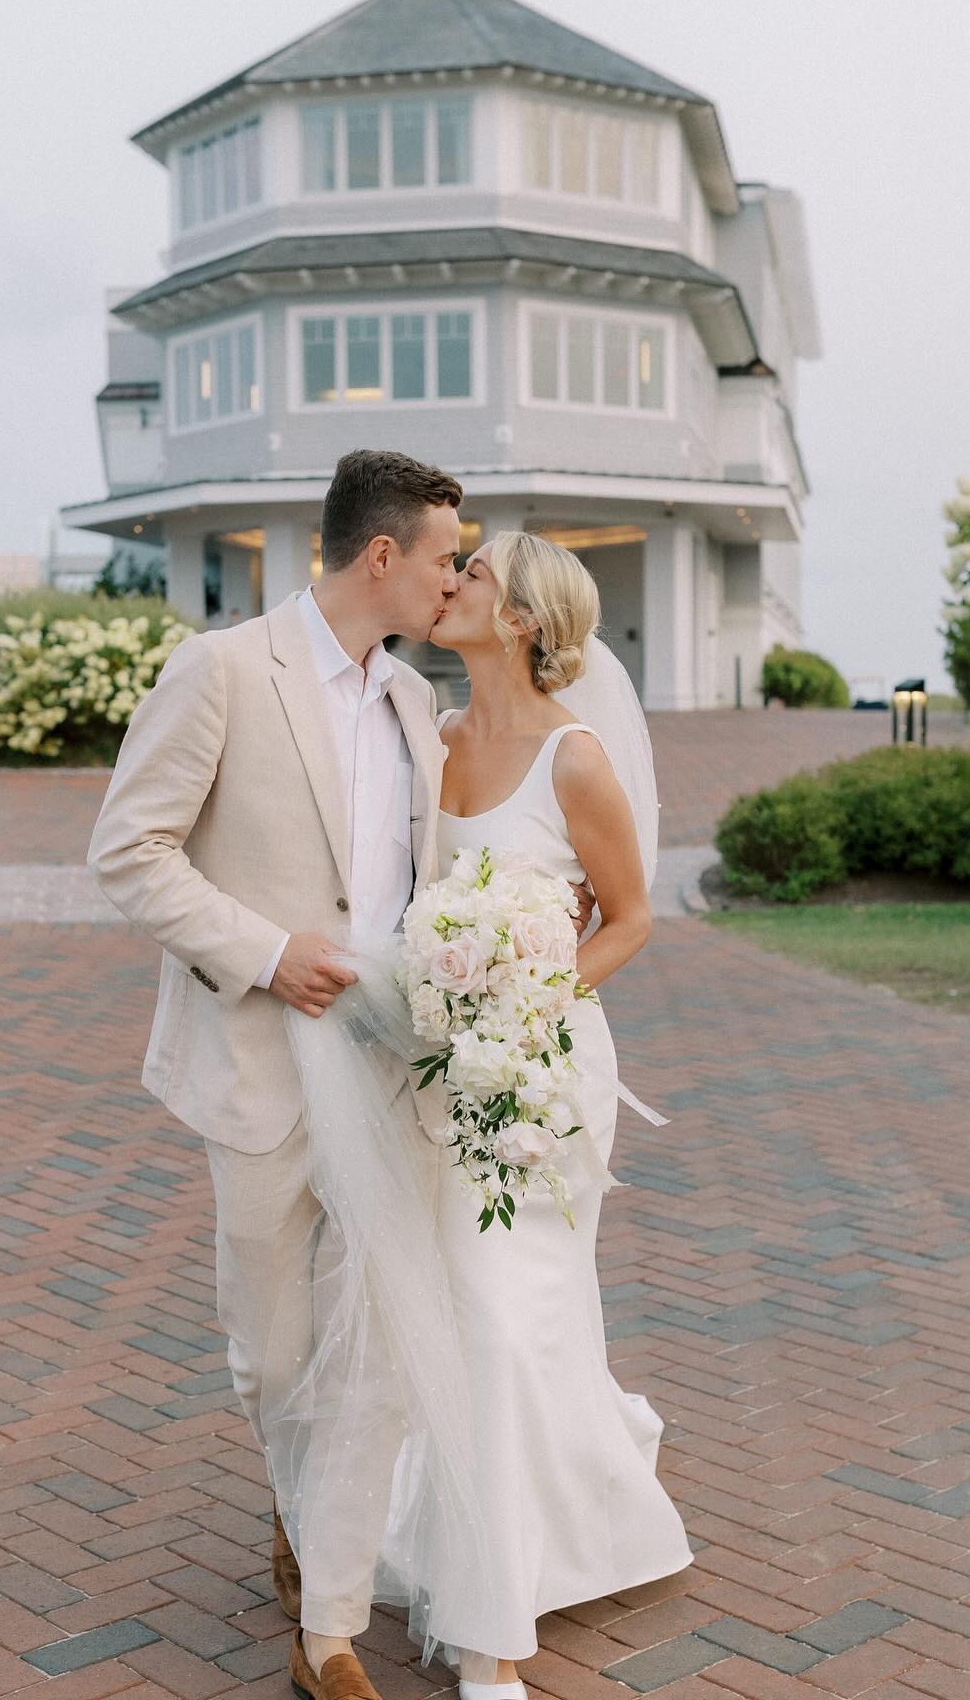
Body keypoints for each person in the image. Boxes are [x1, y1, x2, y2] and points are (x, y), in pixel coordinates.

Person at [268, 530, 693, 1700]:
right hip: (436, 1073)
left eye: (476, 577)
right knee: (457, 1329)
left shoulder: (577, 759)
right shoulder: (427, 736)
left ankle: (495, 1634)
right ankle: (533, 1514)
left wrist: (525, 1002)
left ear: (522, 620)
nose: (450, 585)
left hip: (542, 1078)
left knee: (509, 1324)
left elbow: (630, 917)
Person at [87, 449, 467, 1700]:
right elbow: (129, 851)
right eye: (446, 558)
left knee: (379, 1348)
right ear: (382, 557)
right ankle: (298, 1509)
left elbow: (418, 882)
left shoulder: (416, 704)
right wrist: (264, 951)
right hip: (261, 1058)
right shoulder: (221, 671)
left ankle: (332, 1625)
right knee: (274, 1353)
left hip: (390, 1069)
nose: (454, 581)